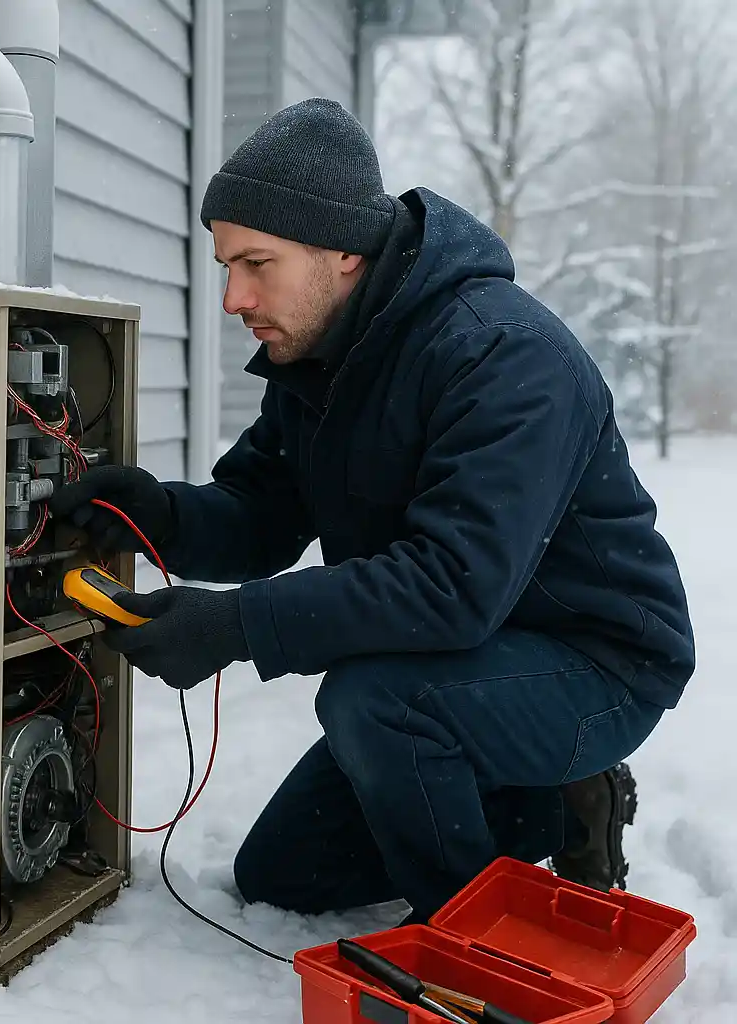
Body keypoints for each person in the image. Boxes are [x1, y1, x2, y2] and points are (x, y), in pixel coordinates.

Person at [48, 98, 695, 924]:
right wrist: (158, 516)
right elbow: (262, 514)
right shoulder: (324, 356)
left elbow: (453, 585)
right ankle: (554, 803)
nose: (234, 298)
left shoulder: (505, 356)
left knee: (376, 701)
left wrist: (235, 627)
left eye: (257, 263)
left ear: (343, 250)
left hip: (599, 660)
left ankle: (471, 943)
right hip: (462, 655)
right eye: (226, 267)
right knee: (285, 873)